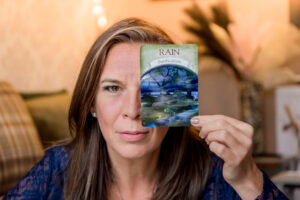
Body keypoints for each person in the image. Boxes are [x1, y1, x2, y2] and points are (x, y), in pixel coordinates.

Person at [4, 18, 287, 200]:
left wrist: (248, 178)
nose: (133, 110)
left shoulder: (216, 174)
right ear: (91, 103)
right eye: (113, 88)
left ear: (173, 99)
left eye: (151, 89)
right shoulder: (56, 169)